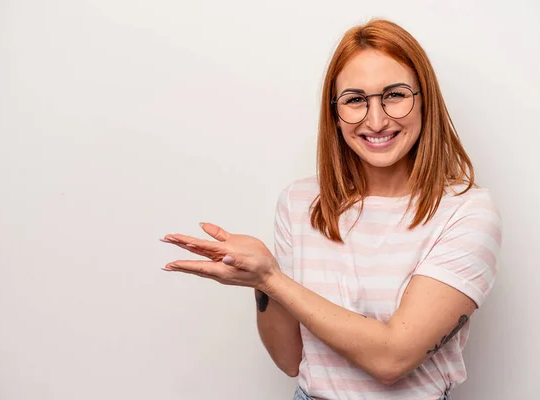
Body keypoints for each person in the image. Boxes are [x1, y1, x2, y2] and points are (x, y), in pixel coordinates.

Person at [161, 18, 502, 400]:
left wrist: (273, 279)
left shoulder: (466, 211)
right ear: (335, 113)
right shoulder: (300, 203)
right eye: (356, 100)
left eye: (395, 94)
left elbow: (392, 359)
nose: (376, 120)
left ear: (425, 99)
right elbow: (291, 360)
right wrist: (259, 283)